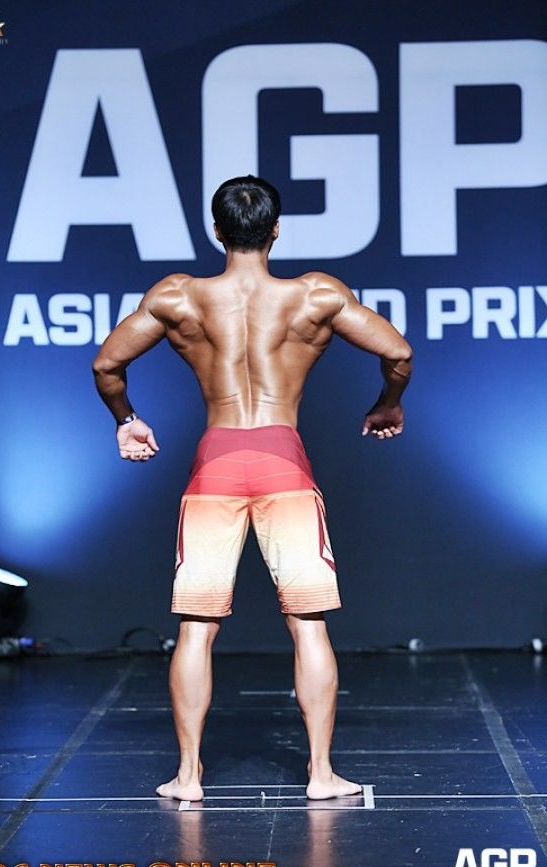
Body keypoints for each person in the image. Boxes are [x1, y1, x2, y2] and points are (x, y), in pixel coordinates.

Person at [92, 175, 412, 801]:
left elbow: (107, 364)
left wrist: (126, 420)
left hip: (214, 466)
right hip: (284, 465)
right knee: (309, 624)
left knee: (196, 627)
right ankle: (320, 774)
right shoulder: (315, 295)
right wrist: (388, 403)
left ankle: (188, 776)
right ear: (276, 230)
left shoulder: (178, 296)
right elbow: (398, 352)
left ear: (217, 231)